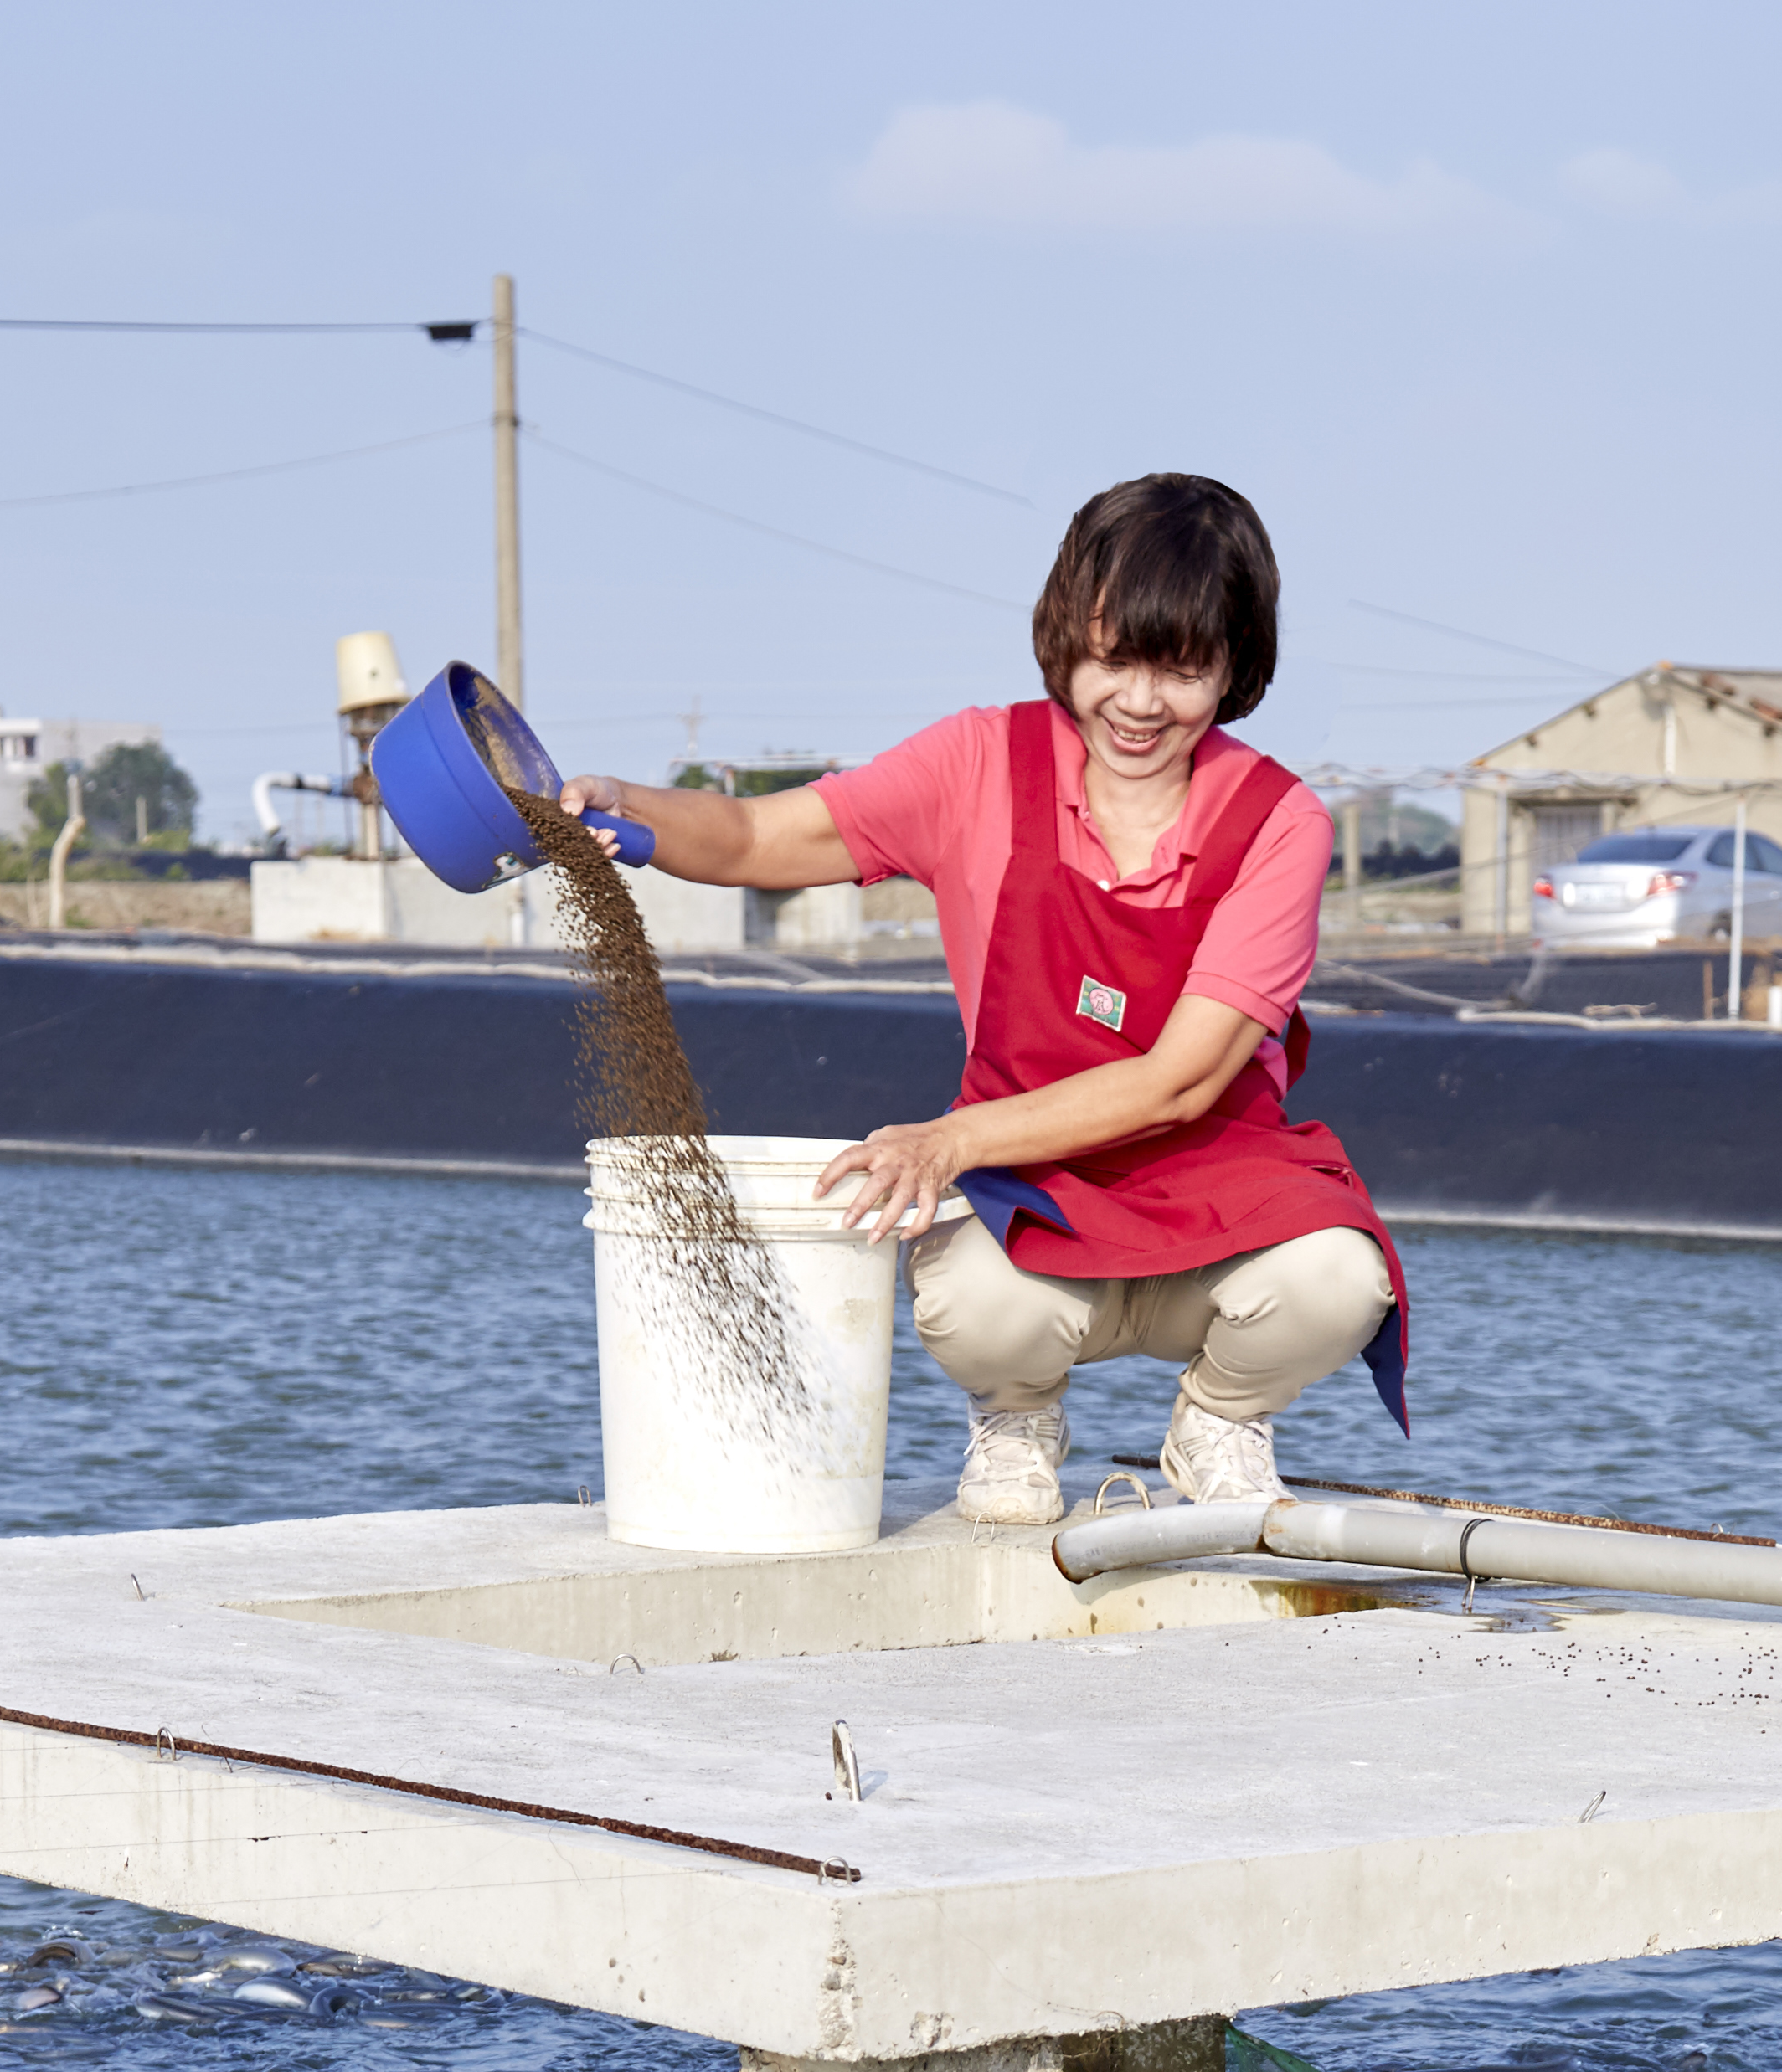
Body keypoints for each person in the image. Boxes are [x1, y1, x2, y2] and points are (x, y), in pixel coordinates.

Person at [559, 472, 1404, 1529]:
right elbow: (758, 838)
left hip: (1217, 1180)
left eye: (1180, 670)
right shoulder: (976, 765)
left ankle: (1222, 1420)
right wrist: (627, 810)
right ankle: (1016, 1417)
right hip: (1037, 1190)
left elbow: (1181, 1084)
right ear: (1065, 633)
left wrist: (946, 1141)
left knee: (1340, 1278)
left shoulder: (1279, 823)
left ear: (1234, 667)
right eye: (1111, 659)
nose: (1140, 703)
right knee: (970, 1307)